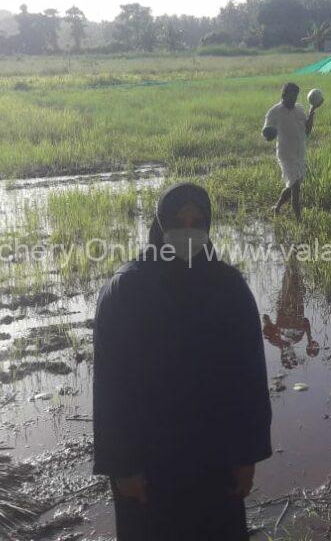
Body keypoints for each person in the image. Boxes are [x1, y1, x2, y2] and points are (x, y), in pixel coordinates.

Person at [93, 183, 273, 541]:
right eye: (179, 221)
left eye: (197, 222)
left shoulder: (229, 288)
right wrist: (122, 466)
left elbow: (250, 377)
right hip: (148, 460)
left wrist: (247, 456)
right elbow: (110, 385)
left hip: (214, 456)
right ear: (160, 226)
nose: (187, 231)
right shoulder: (126, 290)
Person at [263, 83, 317, 222]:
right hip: (285, 155)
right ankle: (299, 221)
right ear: (284, 95)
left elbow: (307, 131)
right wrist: (270, 134)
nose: (294, 98)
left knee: (292, 185)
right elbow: (267, 134)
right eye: (291, 95)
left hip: (299, 154)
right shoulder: (274, 112)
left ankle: (277, 207)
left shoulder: (299, 109)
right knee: (296, 188)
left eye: (296, 95)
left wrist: (312, 110)